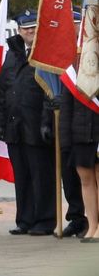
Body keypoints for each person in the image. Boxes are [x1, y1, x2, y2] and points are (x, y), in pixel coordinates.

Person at [0, 8, 56, 236]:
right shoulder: (12, 53)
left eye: (33, 27)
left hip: (36, 125)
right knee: (22, 176)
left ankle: (45, 219)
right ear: (18, 30)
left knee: (41, 175)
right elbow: (3, 90)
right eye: (25, 28)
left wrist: (47, 122)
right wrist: (1, 123)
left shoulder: (45, 52)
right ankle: (25, 218)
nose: (30, 31)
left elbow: (49, 91)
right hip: (15, 126)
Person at [58, 59, 99, 243]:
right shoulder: (73, 71)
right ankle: (92, 226)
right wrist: (65, 142)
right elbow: (66, 110)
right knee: (86, 180)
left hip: (97, 133)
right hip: (80, 135)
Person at [58, 7, 89, 238]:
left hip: (88, 127)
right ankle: (77, 217)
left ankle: (92, 218)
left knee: (89, 177)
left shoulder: (87, 54)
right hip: (68, 125)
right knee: (69, 176)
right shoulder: (57, 53)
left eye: (75, 24)